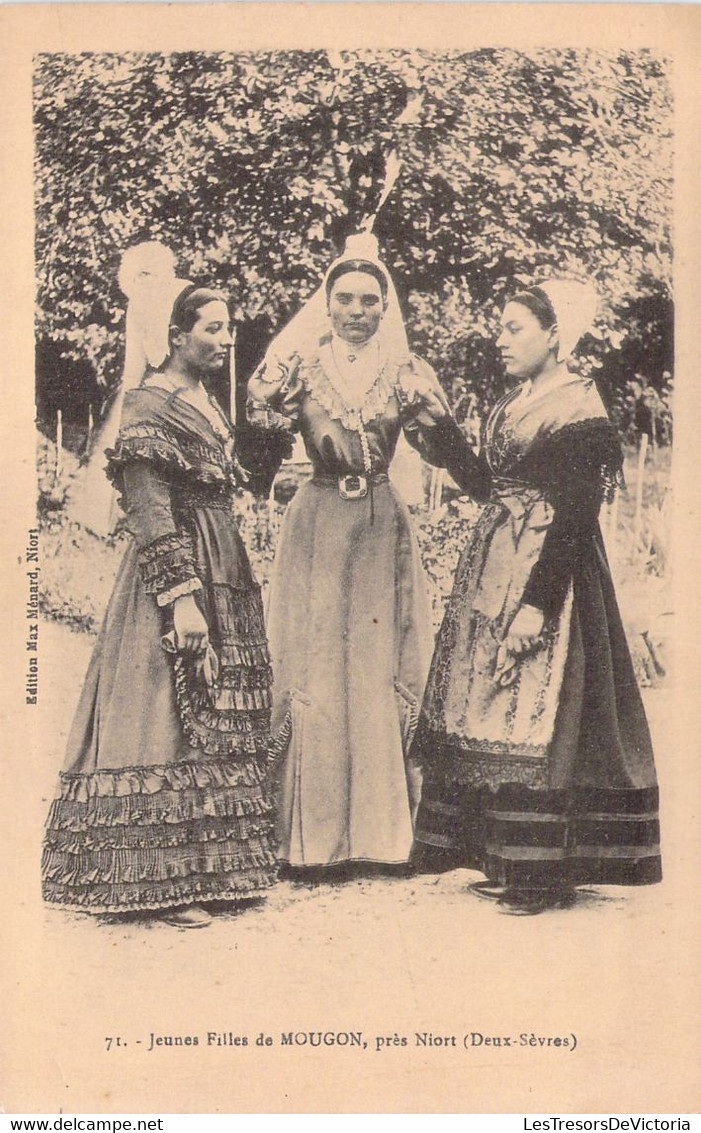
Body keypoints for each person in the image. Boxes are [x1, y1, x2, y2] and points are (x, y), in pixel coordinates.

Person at [409, 280, 662, 914]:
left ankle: (543, 872)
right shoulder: (517, 399)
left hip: (552, 568)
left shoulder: (579, 409)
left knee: (539, 707)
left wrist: (536, 605)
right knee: (490, 703)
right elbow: (488, 485)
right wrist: (442, 435)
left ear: (556, 336)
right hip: (496, 558)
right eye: (501, 326)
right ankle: (506, 856)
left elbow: (577, 517)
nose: (500, 338)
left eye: (515, 327)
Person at [42, 281, 278, 927]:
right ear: (177, 336)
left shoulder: (206, 400)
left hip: (222, 557)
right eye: (211, 328)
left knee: (215, 712)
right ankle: (164, 883)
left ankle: (212, 868)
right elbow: (147, 502)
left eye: (229, 328)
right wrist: (180, 598)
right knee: (169, 712)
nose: (225, 339)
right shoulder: (149, 402)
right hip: (175, 566)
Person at [246, 234, 448, 873]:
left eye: (368, 300)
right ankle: (312, 840)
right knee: (315, 662)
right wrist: (275, 472)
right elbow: (255, 434)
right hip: (319, 519)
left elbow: (440, 444)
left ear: (385, 307)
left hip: (382, 521)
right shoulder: (299, 366)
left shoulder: (406, 371)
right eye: (345, 300)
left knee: (377, 661)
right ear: (326, 304)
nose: (356, 311)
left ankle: (383, 838)